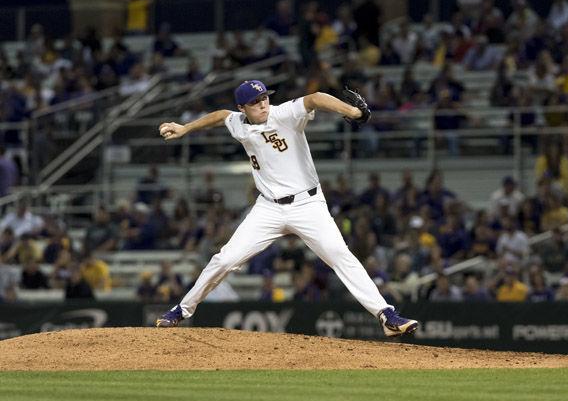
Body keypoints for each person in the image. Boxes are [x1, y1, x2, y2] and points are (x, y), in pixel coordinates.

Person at [155, 79, 418, 336]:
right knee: (224, 260)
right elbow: (221, 115)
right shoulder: (238, 122)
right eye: (254, 102)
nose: (262, 104)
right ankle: (181, 310)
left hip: (307, 204)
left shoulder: (284, 114)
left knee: (340, 256)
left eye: (264, 97)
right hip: (268, 208)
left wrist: (352, 112)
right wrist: (186, 128)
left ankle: (386, 315)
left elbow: (315, 98)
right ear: (243, 108)